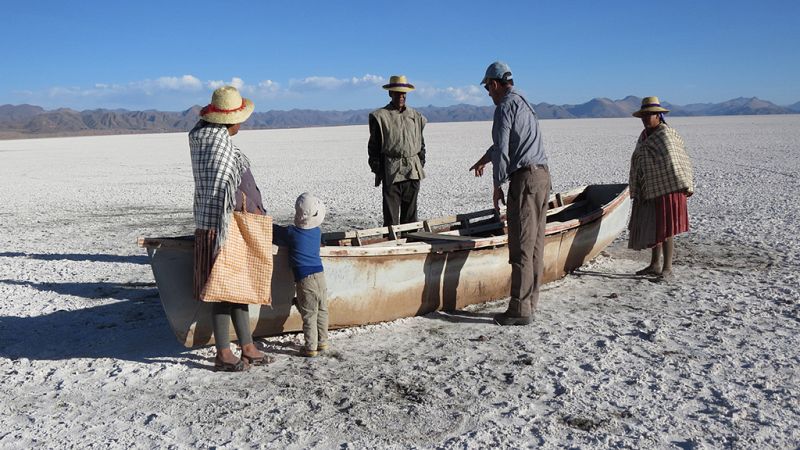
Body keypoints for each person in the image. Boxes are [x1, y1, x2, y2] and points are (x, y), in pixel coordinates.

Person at [189, 85, 272, 371]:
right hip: (222, 225)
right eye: (238, 119)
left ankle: (247, 346)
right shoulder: (217, 144)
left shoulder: (206, 138)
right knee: (224, 289)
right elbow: (226, 188)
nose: (241, 124)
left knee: (239, 285)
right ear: (228, 120)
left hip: (221, 222)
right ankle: (224, 352)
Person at [469, 61, 551, 326]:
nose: (488, 94)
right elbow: (505, 145)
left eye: (488, 89)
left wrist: (497, 186)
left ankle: (519, 309)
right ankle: (530, 303)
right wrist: (484, 158)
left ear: (494, 84)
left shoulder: (505, 106)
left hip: (524, 180)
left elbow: (503, 148)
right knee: (536, 245)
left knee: (521, 246)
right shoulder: (525, 102)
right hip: (541, 177)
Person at [628, 96, 694, 279]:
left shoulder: (665, 135)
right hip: (649, 187)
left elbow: (675, 161)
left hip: (668, 187)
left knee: (666, 228)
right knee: (654, 226)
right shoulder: (644, 136)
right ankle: (654, 264)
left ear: (658, 115)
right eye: (643, 116)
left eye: (649, 115)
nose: (645, 119)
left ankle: (668, 268)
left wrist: (676, 183)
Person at [272, 193, 329, 357]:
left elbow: (275, 232)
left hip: (305, 279)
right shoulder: (317, 232)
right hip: (320, 275)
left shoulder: (291, 233)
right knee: (322, 309)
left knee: (309, 314)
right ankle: (323, 341)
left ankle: (310, 347)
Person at [368, 75, 427, 227]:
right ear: (390, 93)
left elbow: (421, 143)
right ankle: (392, 246)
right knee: (391, 219)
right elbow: (373, 147)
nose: (401, 97)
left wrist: (420, 162)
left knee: (410, 218)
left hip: (412, 171)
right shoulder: (380, 116)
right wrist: (379, 170)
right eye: (397, 93)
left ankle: (411, 245)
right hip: (391, 171)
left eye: (403, 94)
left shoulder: (416, 116)